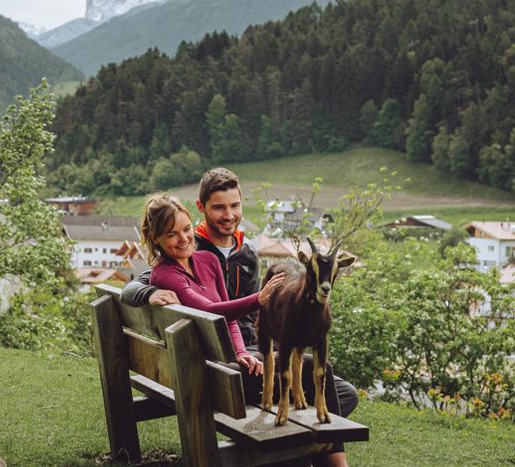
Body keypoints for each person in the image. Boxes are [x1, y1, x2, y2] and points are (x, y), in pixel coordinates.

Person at [123, 168, 358, 467]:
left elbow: (232, 318)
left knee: (336, 390)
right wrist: (146, 294)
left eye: (234, 206)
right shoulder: (173, 266)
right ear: (202, 209)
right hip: (214, 369)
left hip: (242, 355)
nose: (228, 214)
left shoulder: (233, 254)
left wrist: (245, 351)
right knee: (305, 380)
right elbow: (189, 303)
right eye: (219, 207)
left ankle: (296, 450)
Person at [141, 194, 286, 373]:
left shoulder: (209, 260)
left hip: (225, 363)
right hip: (202, 371)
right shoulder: (165, 275)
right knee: (310, 373)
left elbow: (229, 319)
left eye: (187, 229)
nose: (184, 238)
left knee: (313, 366)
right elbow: (208, 310)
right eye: (172, 234)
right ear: (155, 238)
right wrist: (258, 299)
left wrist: (241, 353)